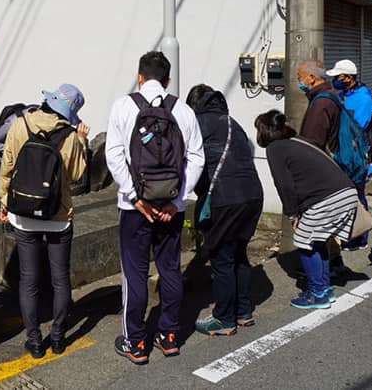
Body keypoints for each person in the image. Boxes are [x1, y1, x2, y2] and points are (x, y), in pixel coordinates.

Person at [105, 51, 204, 364]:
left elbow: (114, 156)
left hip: (135, 209)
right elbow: (197, 158)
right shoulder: (183, 110)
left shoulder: (123, 106)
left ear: (139, 77)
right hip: (170, 207)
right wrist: (176, 201)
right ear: (168, 80)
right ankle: (169, 335)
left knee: (135, 274)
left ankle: (136, 342)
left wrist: (136, 197)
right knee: (170, 268)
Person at [0, 84, 89, 358]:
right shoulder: (71, 136)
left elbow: (6, 168)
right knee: (60, 279)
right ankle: (59, 337)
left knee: (29, 279)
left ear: (48, 101)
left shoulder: (20, 125)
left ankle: (35, 340)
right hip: (58, 217)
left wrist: (4, 201)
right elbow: (76, 176)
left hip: (23, 215)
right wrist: (83, 142)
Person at [255, 110, 358, 310]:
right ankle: (324, 289)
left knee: (304, 241)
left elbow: (284, 185)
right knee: (317, 240)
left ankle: (317, 293)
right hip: (344, 192)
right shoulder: (297, 141)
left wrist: (293, 214)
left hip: (327, 198)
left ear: (264, 131)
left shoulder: (275, 148)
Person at [185, 85, 264, 337]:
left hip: (225, 198)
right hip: (253, 194)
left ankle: (224, 318)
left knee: (222, 258)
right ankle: (243, 312)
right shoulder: (233, 123)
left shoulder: (199, 124)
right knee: (239, 253)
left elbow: (195, 164)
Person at [326, 59, 372, 251]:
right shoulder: (344, 94)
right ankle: (348, 235)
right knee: (347, 196)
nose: (335, 81)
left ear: (348, 77)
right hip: (342, 155)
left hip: (355, 157)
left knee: (357, 195)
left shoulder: (363, 99)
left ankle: (360, 237)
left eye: (338, 77)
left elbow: (357, 129)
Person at [296, 59, 340, 152]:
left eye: (299, 77)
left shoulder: (322, 102)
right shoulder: (327, 94)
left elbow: (313, 143)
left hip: (322, 162)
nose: (299, 81)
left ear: (312, 78)